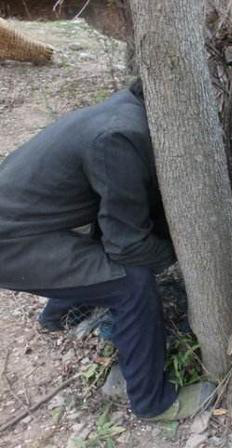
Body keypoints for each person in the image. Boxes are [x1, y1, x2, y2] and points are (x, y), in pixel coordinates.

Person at [0, 79, 213, 420]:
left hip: (26, 223)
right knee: (130, 283)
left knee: (102, 253)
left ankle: (59, 316)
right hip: (13, 245)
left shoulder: (127, 109)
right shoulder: (120, 138)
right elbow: (127, 247)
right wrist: (180, 254)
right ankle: (153, 402)